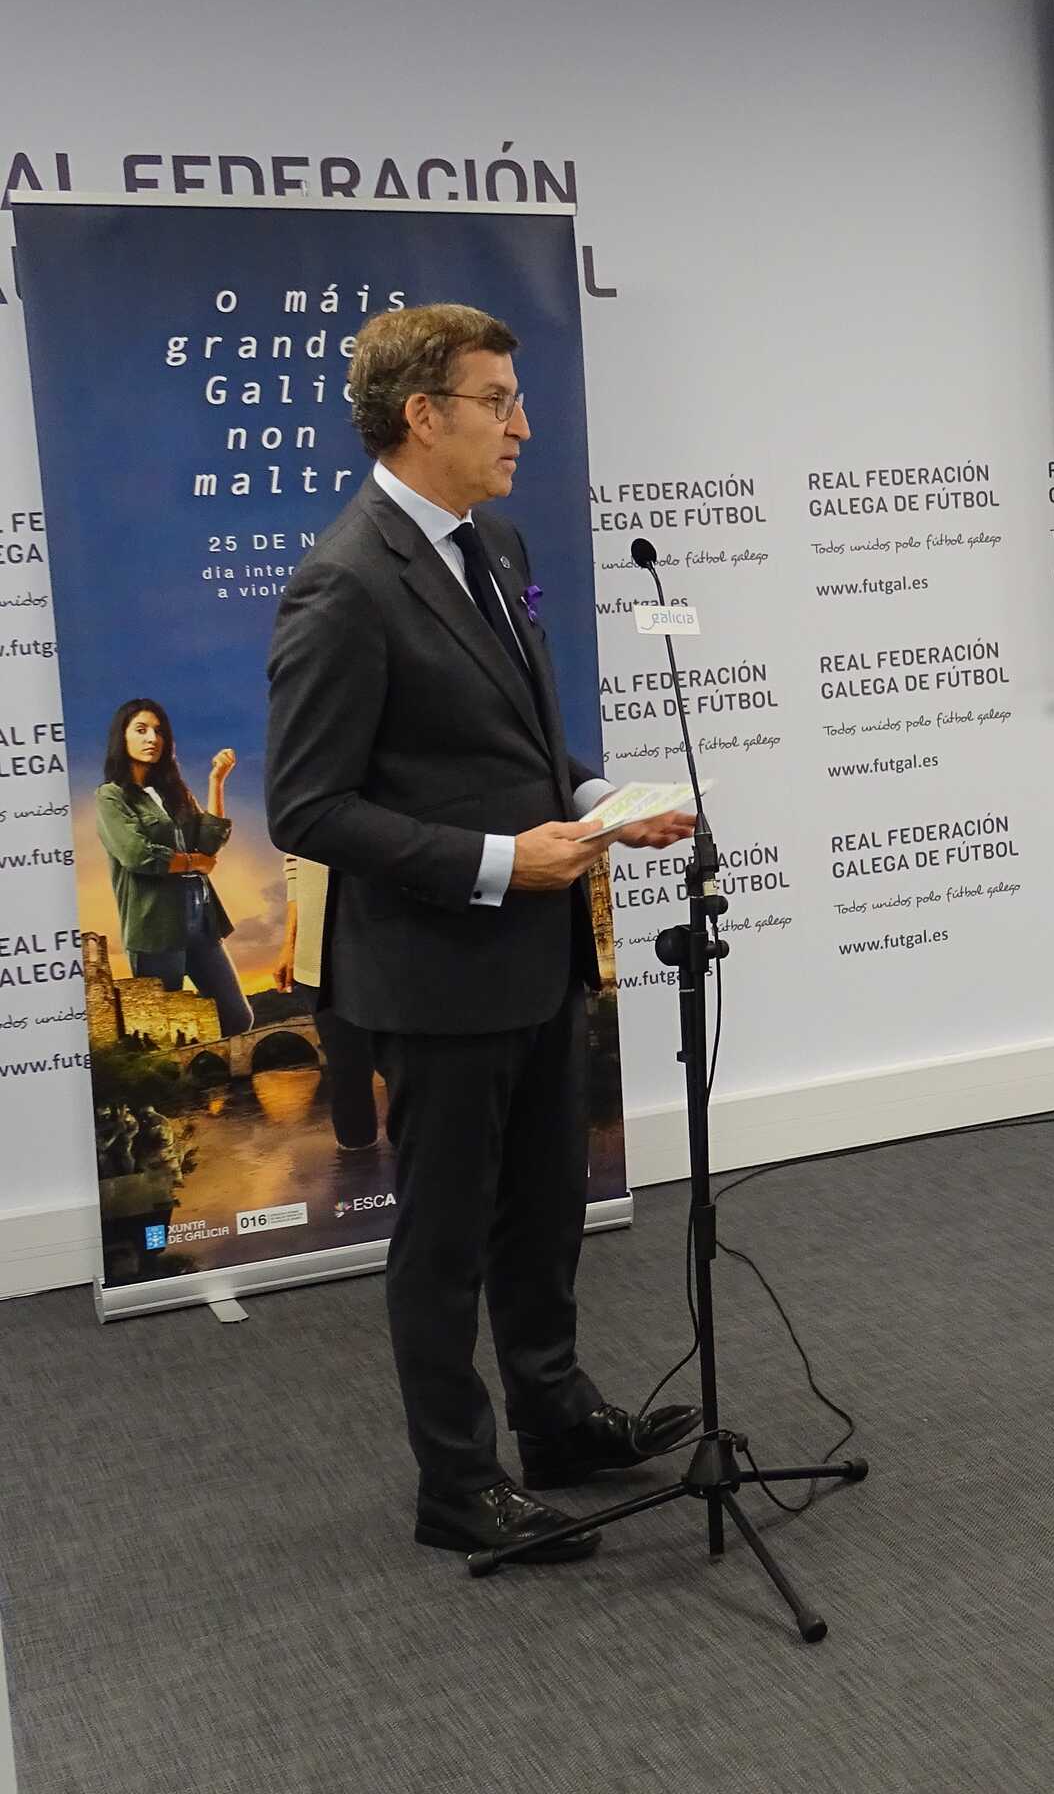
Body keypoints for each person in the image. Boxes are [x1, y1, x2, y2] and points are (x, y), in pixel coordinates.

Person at [266, 302, 696, 1565]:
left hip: (538, 958)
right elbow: (308, 806)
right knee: (445, 1239)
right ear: (422, 415)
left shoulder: (493, 543)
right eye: (498, 401)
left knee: (545, 1212)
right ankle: (457, 1484)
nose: (523, 425)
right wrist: (505, 863)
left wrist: (598, 804)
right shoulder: (344, 583)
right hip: (436, 971)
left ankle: (555, 1422)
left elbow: (511, 743)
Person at [94, 698, 252, 1038]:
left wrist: (217, 781)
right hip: (156, 930)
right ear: (121, 737)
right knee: (162, 1034)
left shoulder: (174, 792)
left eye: (159, 731)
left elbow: (208, 843)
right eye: (141, 730)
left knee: (238, 1019)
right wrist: (194, 863)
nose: (152, 738)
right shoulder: (111, 796)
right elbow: (138, 855)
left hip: (201, 922)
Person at [271, 855, 381, 1153]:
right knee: (347, 1075)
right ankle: (359, 1169)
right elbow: (295, 864)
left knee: (410, 1070)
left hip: (393, 945)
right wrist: (290, 943)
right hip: (319, 952)